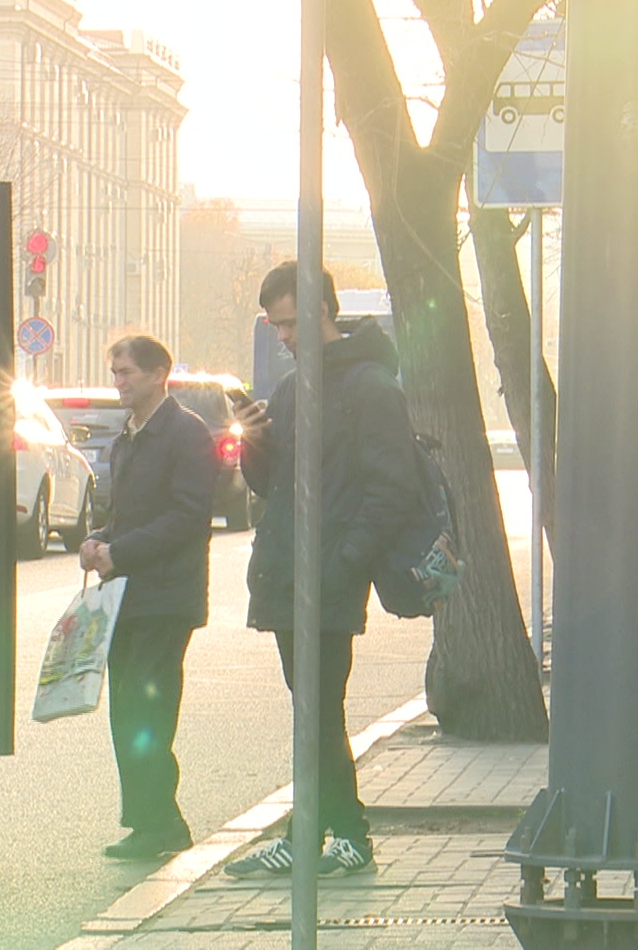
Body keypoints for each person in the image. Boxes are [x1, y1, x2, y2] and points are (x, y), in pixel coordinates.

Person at [223, 261, 415, 879]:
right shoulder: (294, 387)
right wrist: (253, 441)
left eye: (288, 323)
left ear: (321, 311)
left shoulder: (370, 387)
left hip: (326, 577)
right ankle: (317, 836)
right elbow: (271, 485)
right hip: (288, 573)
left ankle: (340, 836)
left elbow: (391, 491)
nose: (281, 336)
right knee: (312, 713)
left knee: (319, 711)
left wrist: (341, 565)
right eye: (274, 325)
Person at [80, 335, 218, 860]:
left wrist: (122, 552)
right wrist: (95, 540)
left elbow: (187, 517)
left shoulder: (185, 433)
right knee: (126, 711)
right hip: (125, 596)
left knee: (151, 713)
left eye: (127, 372)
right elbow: (122, 513)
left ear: (160, 373)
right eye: (114, 372)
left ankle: (164, 822)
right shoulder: (127, 436)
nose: (118, 381)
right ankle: (145, 820)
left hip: (165, 597)